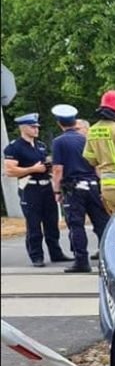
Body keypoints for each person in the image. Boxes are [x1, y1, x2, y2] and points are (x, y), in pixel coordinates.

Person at [3, 113, 71, 267]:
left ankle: (56, 253)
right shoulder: (14, 147)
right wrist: (32, 169)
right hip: (30, 188)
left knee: (51, 223)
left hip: (46, 186)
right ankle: (36, 256)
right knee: (34, 225)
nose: (36, 129)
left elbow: (46, 164)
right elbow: (10, 171)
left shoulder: (40, 145)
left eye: (37, 127)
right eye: (32, 127)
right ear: (23, 128)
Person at [51, 104, 109, 273]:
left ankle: (81, 261)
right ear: (75, 122)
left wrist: (56, 191)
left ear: (59, 123)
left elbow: (57, 169)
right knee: (101, 223)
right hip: (92, 185)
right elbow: (97, 165)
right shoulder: (86, 139)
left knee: (76, 225)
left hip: (74, 188)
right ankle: (107, 258)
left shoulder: (59, 142)